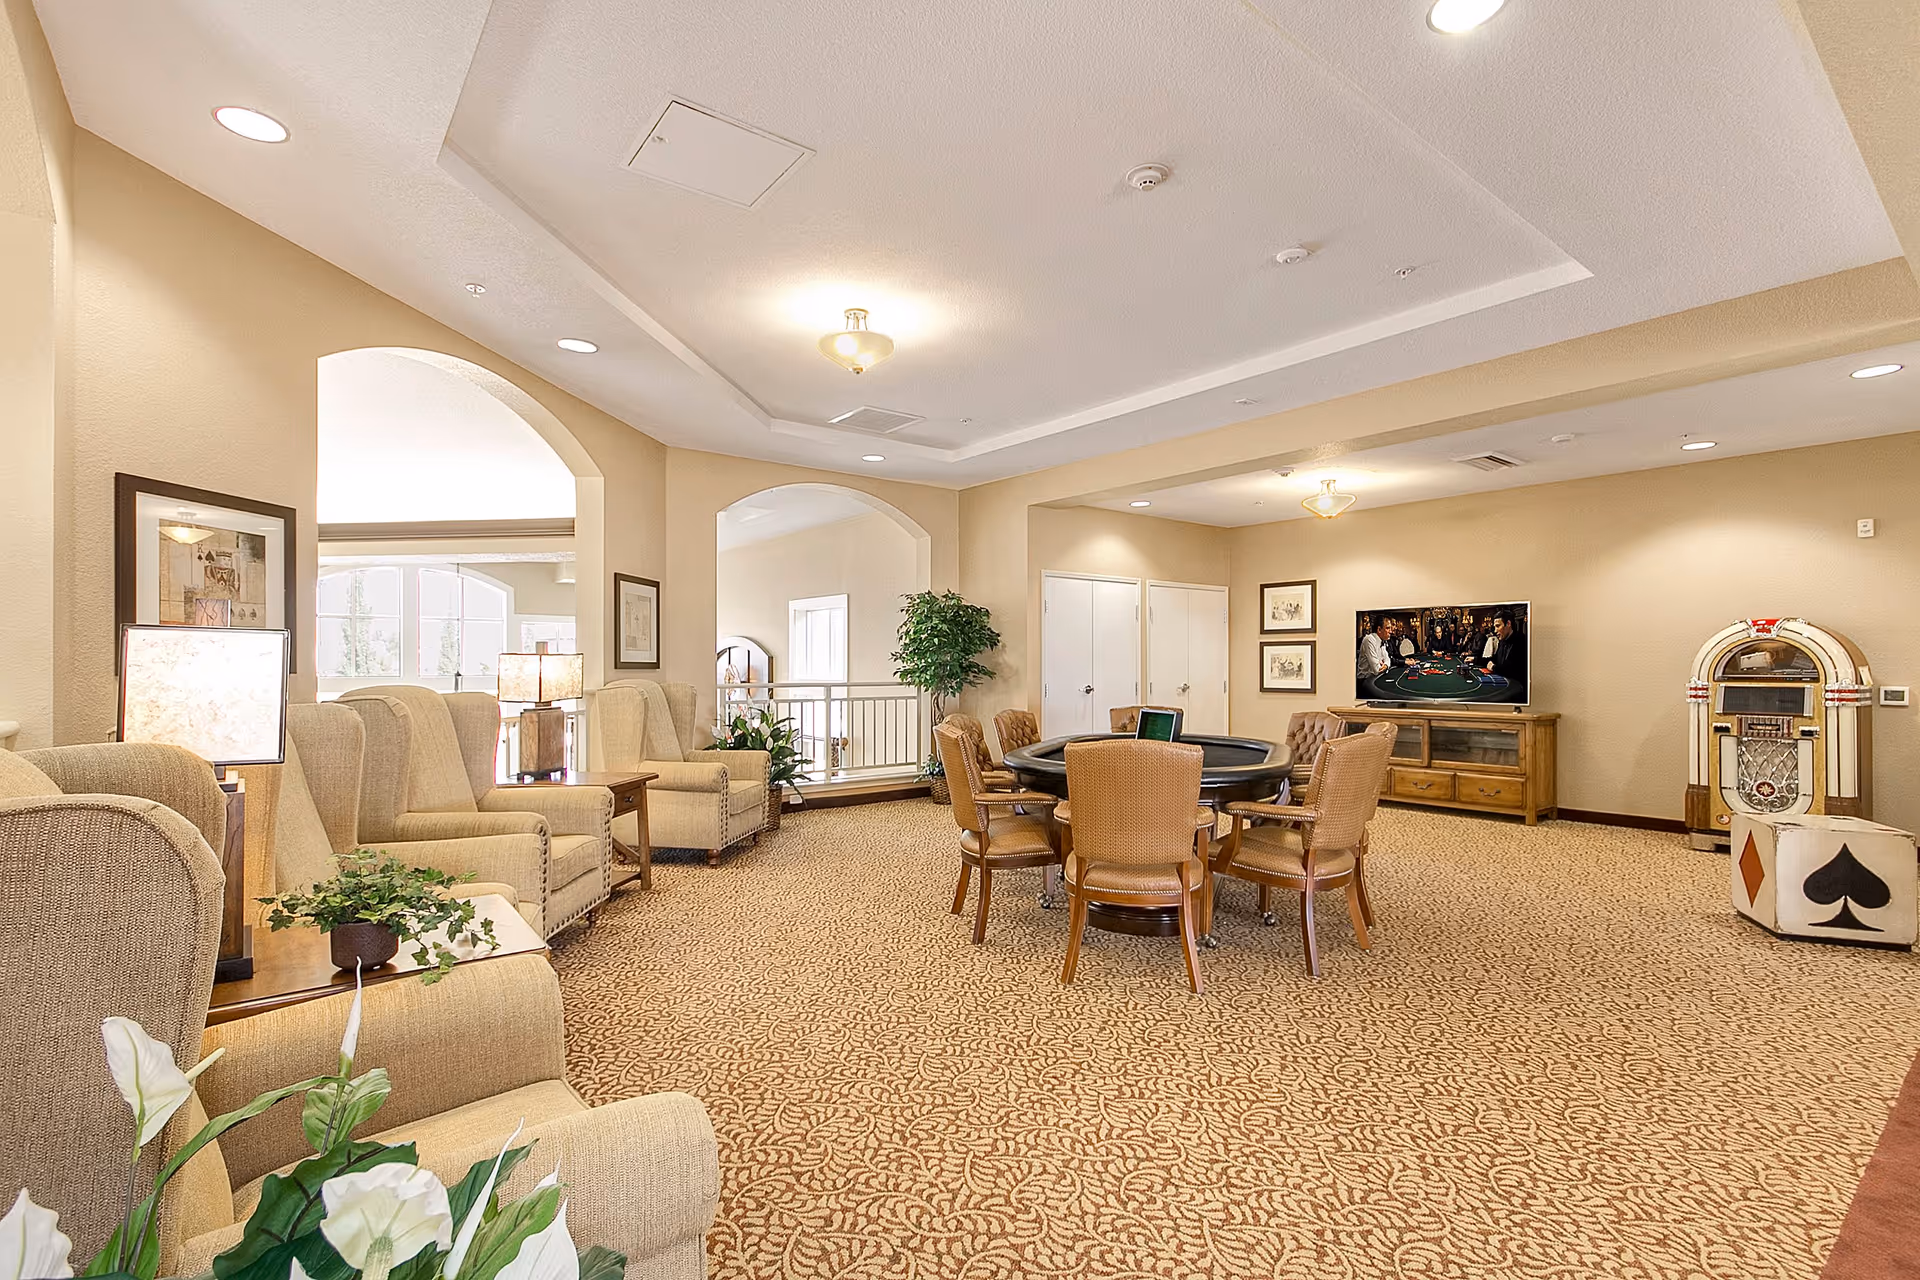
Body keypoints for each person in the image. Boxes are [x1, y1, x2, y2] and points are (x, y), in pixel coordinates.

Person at [1481, 611, 1526, 683]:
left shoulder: (1521, 640)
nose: (1495, 631)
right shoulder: (1502, 641)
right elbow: (1494, 660)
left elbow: (1514, 670)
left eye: (1498, 626)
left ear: (1508, 624)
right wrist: (1475, 659)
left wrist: (1493, 667)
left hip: (1517, 688)